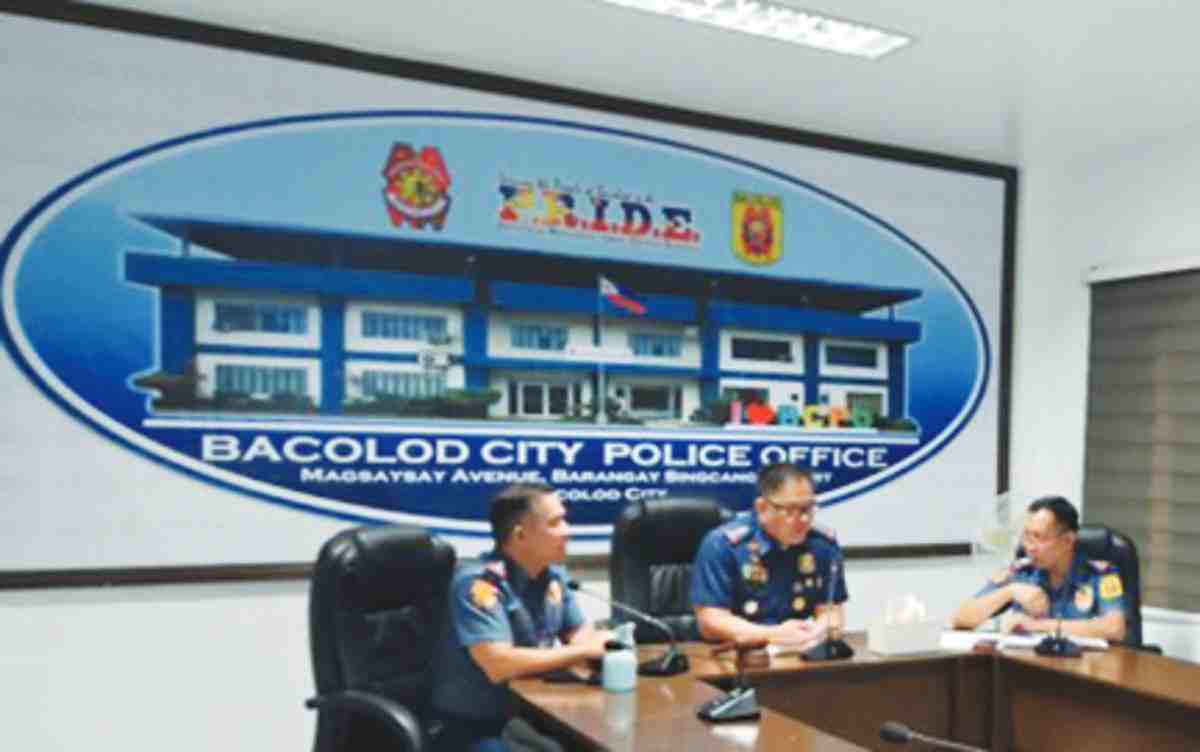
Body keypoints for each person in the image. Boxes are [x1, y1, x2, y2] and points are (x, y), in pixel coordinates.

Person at [430, 483, 613, 751]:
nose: (567, 531)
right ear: (520, 535)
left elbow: (579, 634)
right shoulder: (478, 583)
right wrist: (584, 650)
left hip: (528, 716)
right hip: (474, 728)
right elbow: (499, 664)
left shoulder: (553, 576)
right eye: (556, 522)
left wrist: (605, 646)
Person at [690, 463, 847, 645]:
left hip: (800, 654)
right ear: (762, 507)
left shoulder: (822, 545)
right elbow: (710, 622)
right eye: (790, 510)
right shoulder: (723, 545)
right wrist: (771, 634)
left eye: (808, 508)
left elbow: (831, 610)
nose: (803, 519)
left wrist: (820, 630)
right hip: (737, 656)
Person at [951, 496, 1126, 642]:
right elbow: (961, 618)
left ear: (1067, 541)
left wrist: (1037, 626)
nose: (1029, 547)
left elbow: (1114, 628)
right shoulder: (1022, 572)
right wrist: (1010, 592)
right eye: (1026, 537)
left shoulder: (1100, 574)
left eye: (1038, 537)